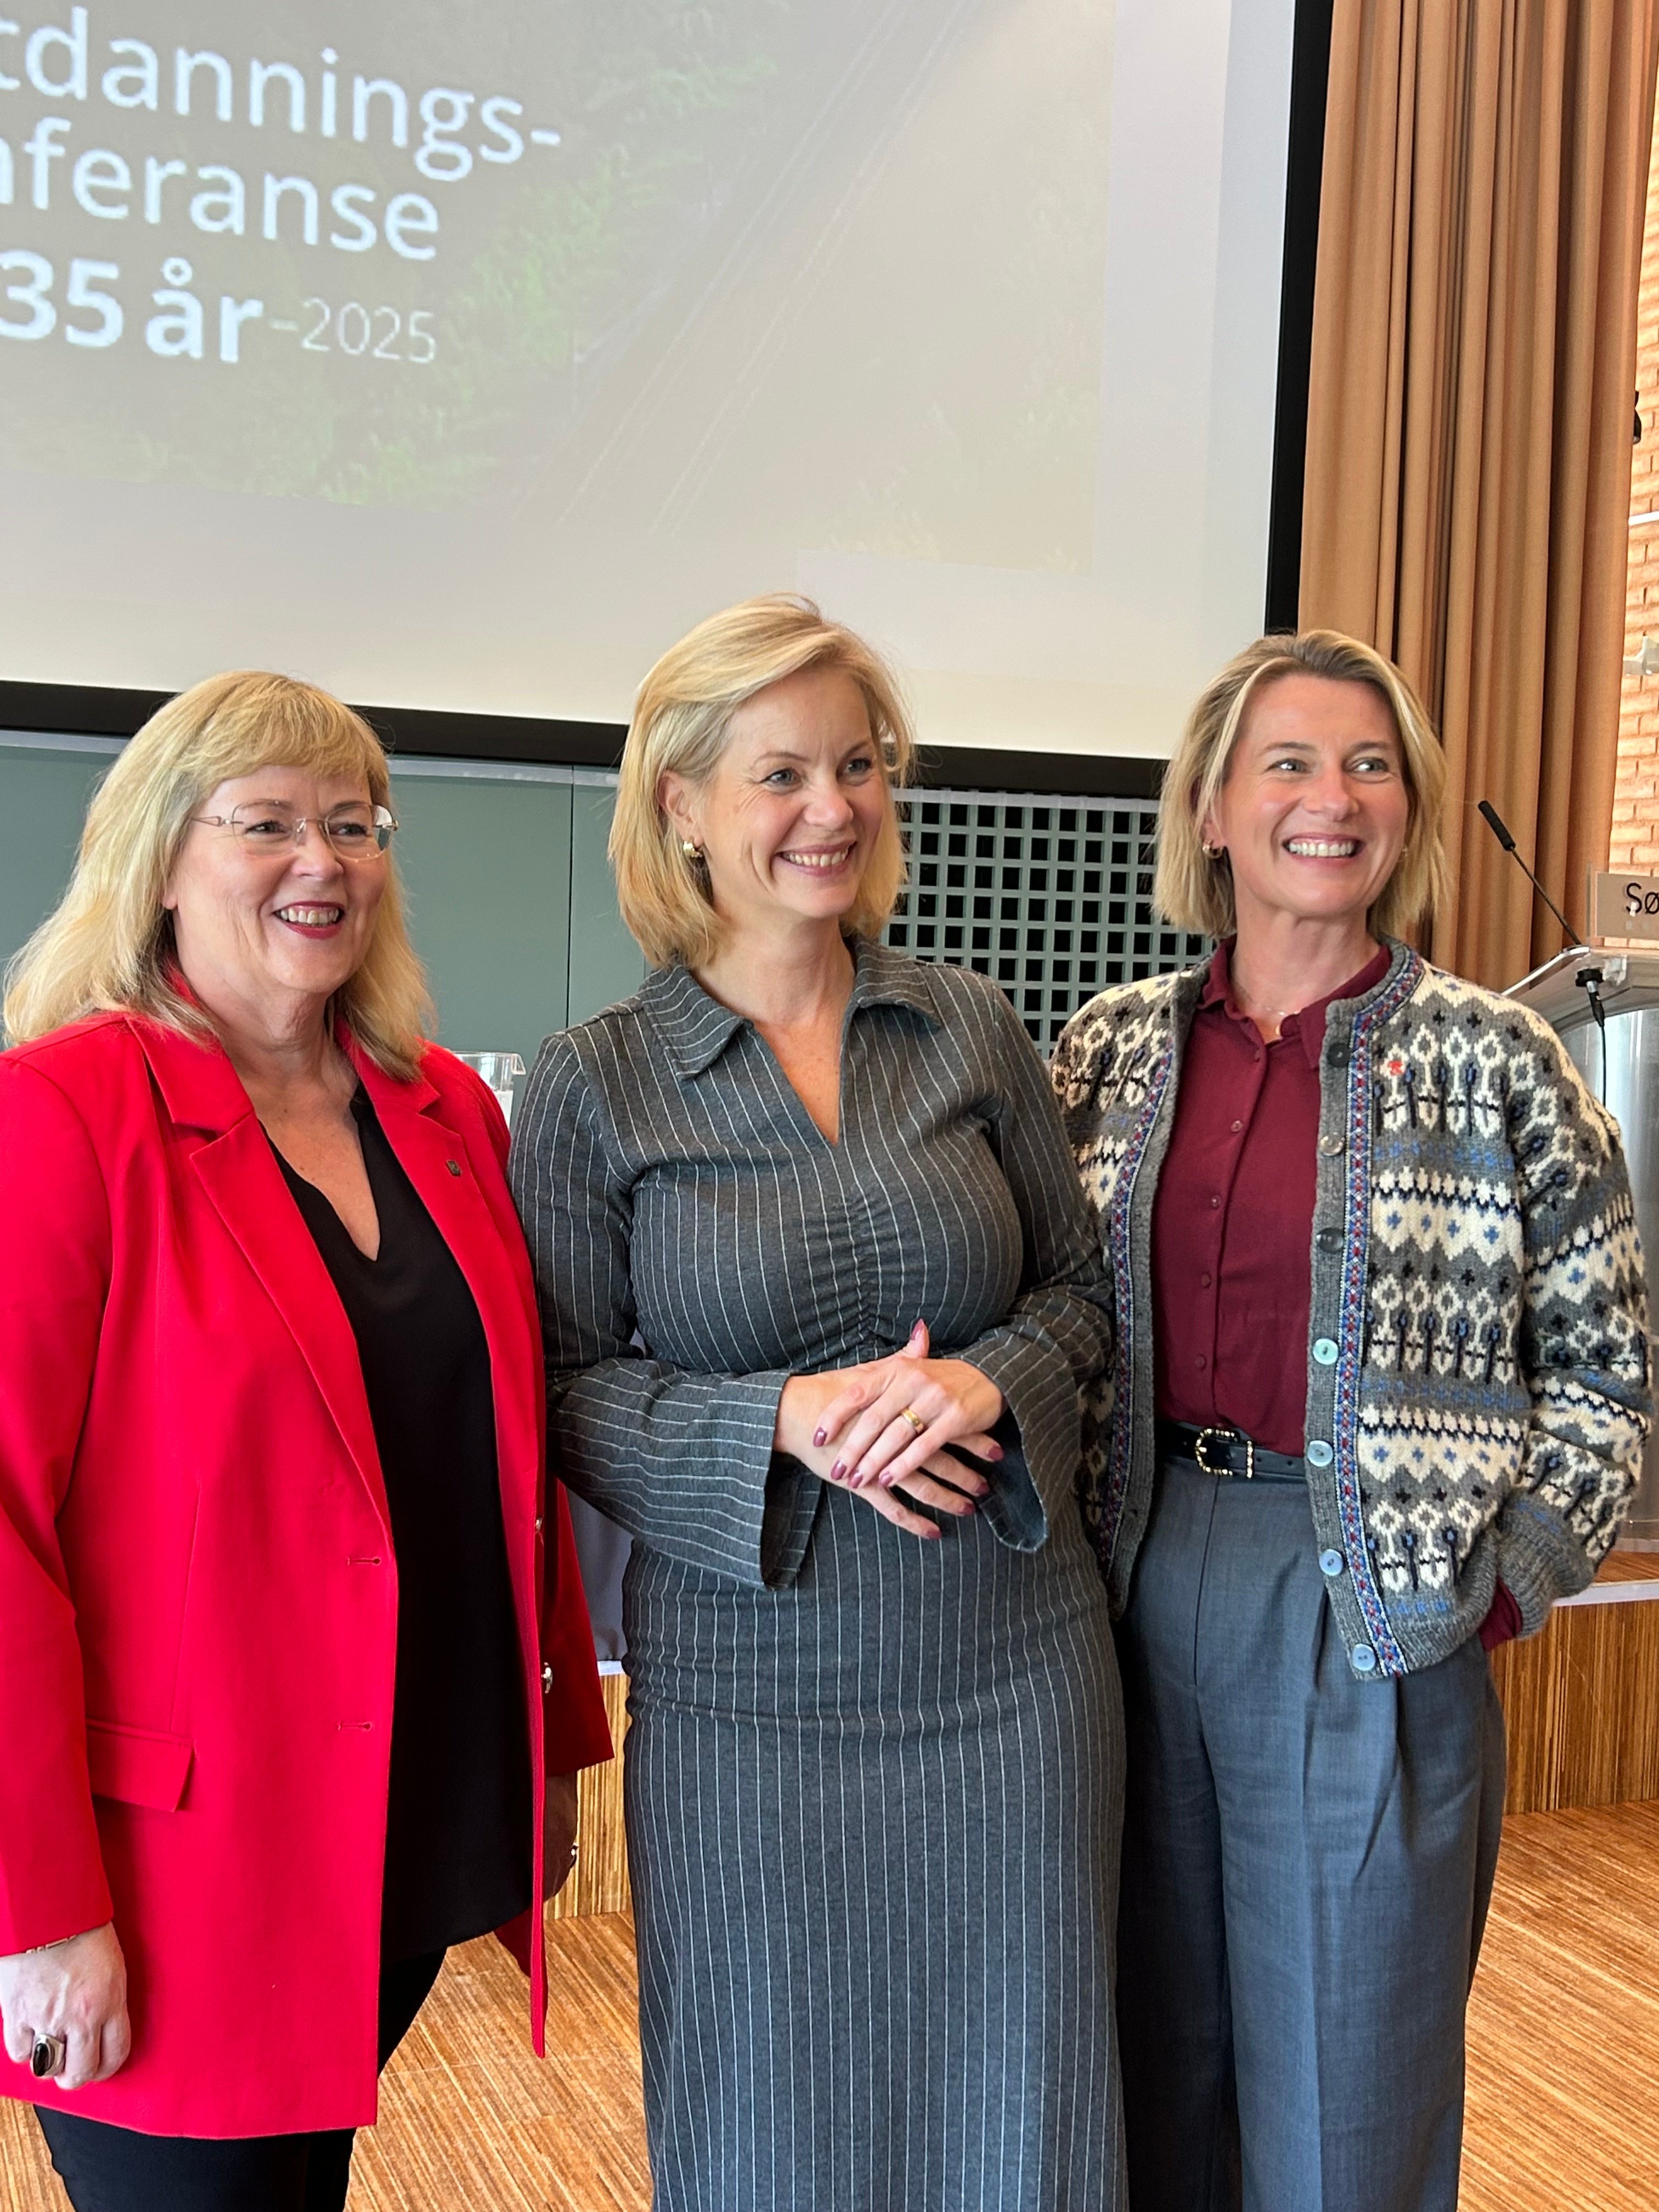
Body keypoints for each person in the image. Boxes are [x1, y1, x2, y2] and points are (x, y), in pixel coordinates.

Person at [511, 595, 1125, 2212]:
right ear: (682, 807)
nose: (830, 809)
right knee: (772, 2117)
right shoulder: (591, 1082)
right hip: (749, 1708)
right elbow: (560, 1387)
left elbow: (1083, 1298)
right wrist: (779, 1420)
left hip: (1012, 1674)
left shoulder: (969, 1023)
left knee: (1026, 2108)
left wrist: (987, 1378)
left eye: (856, 765)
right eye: (779, 774)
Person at [1050, 629, 1650, 2212]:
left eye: (1371, 766)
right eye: (1291, 764)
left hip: (1372, 1605)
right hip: (1127, 1587)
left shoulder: (1503, 1063)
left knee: (1350, 2085)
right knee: (1140, 2054)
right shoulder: (1107, 1052)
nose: (1334, 798)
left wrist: (1502, 1580)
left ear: (1409, 810)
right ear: (1212, 810)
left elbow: (1607, 1374)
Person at [0, 672, 610, 2211]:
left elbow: (505, 1454)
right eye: (265, 822)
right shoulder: (61, 1114)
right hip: (175, 1867)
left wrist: (546, 1751)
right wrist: (38, 1910)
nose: (321, 860)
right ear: (160, 857)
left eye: (355, 823)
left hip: (407, 1807)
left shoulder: (444, 1110)